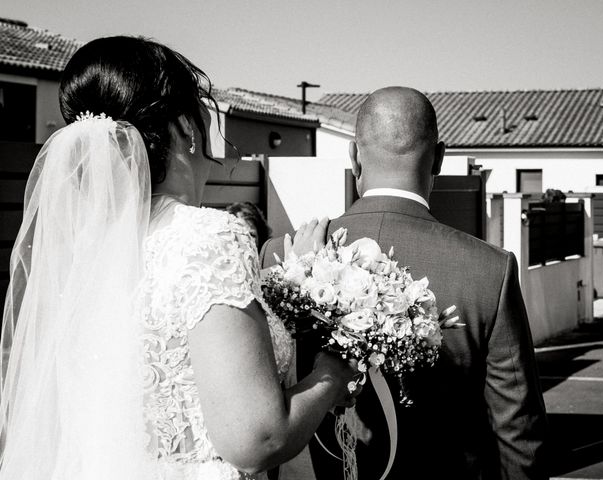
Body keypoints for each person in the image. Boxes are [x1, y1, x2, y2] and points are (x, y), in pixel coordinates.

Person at [0, 36, 361, 480]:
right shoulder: (208, 236)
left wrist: (288, 282)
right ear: (188, 129)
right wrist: (330, 373)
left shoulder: (86, 254)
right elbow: (256, 439)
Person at [261, 86, 549, 479]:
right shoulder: (489, 270)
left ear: (354, 157)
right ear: (440, 159)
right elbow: (517, 429)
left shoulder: (281, 257)